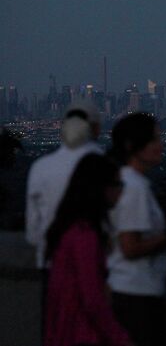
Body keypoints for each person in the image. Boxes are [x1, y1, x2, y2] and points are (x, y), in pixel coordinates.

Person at [26, 100, 103, 336]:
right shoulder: (103, 165)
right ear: (95, 129)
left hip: (52, 268)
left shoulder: (41, 167)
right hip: (96, 270)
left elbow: (32, 232)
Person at [44, 153, 132, 346]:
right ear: (101, 189)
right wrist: (120, 338)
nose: (120, 191)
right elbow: (92, 299)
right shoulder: (84, 236)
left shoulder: (70, 229)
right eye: (117, 185)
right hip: (82, 334)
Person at [108, 113, 166, 346]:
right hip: (137, 297)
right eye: (154, 140)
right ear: (132, 146)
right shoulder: (134, 187)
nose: (160, 145)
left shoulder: (126, 182)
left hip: (130, 293)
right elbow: (130, 247)